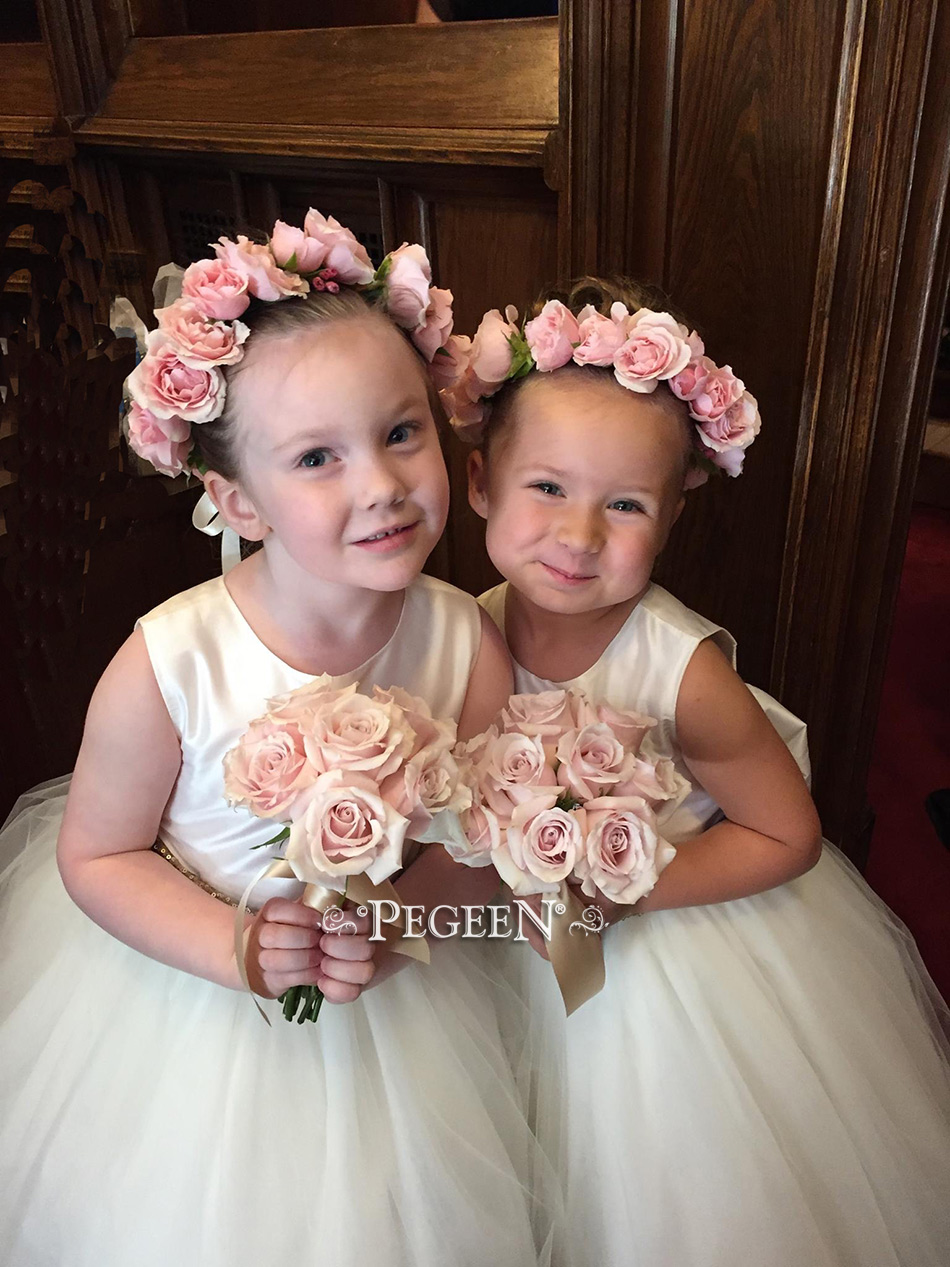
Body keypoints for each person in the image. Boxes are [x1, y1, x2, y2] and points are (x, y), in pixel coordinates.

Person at [0, 217, 554, 1267]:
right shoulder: (169, 665)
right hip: (197, 1004)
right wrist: (237, 947)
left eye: (400, 433)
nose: (382, 485)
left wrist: (395, 920)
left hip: (400, 1001)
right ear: (235, 500)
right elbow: (97, 855)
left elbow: (476, 847)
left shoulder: (462, 641)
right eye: (316, 458)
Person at [441, 276, 950, 1266]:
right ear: (477, 486)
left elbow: (785, 833)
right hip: (502, 930)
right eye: (546, 487)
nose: (579, 536)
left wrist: (630, 892)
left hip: (661, 944)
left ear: (673, 516)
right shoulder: (460, 626)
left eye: (623, 505)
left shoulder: (682, 671)